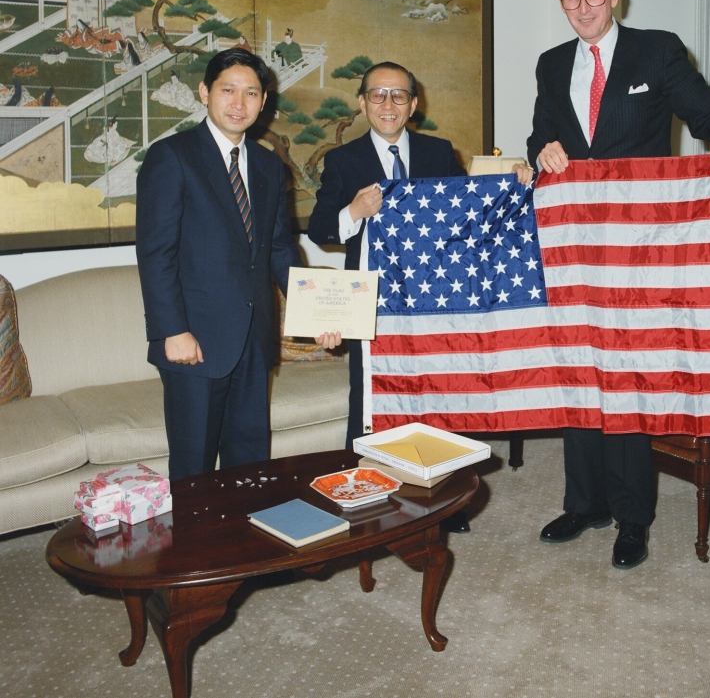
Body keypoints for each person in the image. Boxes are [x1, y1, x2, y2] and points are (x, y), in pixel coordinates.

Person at [517, 0, 710, 570]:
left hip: (640, 245)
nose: (583, 7)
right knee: (579, 371)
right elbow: (539, 134)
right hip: (573, 245)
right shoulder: (551, 63)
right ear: (560, 1)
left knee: (625, 377)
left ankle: (632, 517)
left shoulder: (657, 50)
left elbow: (707, 116)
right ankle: (583, 502)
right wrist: (544, 151)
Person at [136, 48, 341, 481]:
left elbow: (281, 249)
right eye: (228, 90)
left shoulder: (268, 164)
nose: (238, 103)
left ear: (263, 102)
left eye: (251, 93)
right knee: (193, 466)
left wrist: (318, 314)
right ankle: (190, 550)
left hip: (254, 338)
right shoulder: (171, 157)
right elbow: (156, 254)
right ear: (204, 92)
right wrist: (172, 330)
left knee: (250, 464)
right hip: (193, 340)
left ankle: (246, 544)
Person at [307, 62, 470, 532]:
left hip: (432, 296)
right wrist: (353, 211)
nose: (387, 105)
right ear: (361, 103)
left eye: (399, 95)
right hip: (370, 298)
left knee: (434, 392)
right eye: (377, 95)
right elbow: (320, 230)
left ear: (414, 105)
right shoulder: (343, 160)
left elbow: (464, 218)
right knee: (373, 398)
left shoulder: (439, 152)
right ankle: (368, 494)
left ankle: (442, 498)